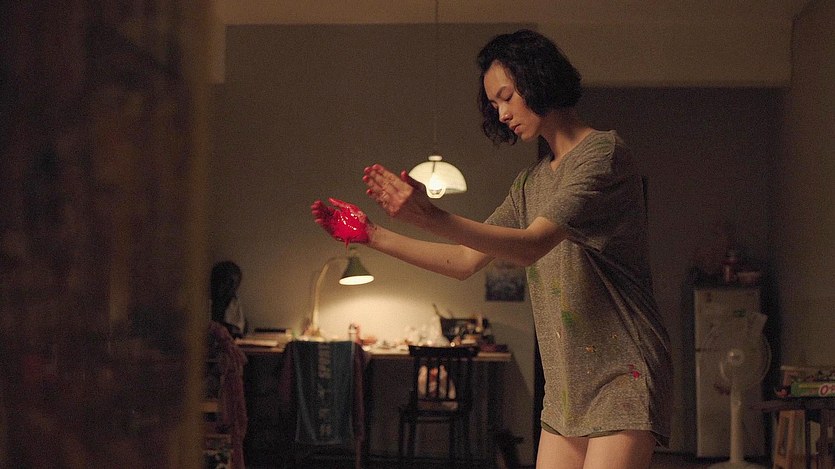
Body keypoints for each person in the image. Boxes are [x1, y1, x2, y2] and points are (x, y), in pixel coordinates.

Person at [311, 29, 671, 469]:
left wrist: (429, 215)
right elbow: (464, 261)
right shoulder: (529, 183)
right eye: (494, 105)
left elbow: (531, 246)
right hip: (567, 385)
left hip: (623, 372)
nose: (501, 114)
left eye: (506, 97)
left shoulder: (603, 154)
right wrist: (372, 235)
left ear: (537, 79)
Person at [210, 260, 247, 338]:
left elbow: (237, 330)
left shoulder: (233, 302)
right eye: (228, 281)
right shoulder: (204, 302)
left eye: (235, 283)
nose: (232, 287)